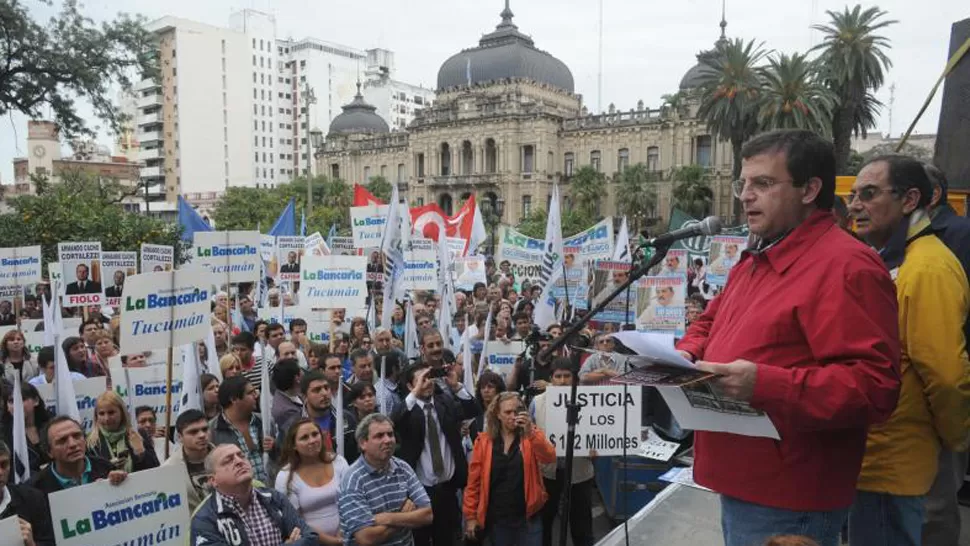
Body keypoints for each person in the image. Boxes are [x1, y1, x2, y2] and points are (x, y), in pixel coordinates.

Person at [677, 130, 901, 546]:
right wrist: (682, 356)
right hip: (743, 479)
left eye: (763, 184)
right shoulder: (758, 256)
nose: (746, 195)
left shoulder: (847, 267)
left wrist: (763, 384)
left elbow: (875, 387)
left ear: (810, 189)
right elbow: (710, 320)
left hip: (790, 497)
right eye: (743, 183)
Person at [846, 155, 970, 545]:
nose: (854, 206)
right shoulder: (894, 259)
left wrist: (955, 440)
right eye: (853, 195)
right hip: (879, 458)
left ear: (910, 198)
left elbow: (946, 375)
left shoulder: (928, 269)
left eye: (869, 194)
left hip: (900, 465)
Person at [922, 162, 970, 545]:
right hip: (912, 394)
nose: (857, 205)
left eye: (871, 193)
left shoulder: (957, 239)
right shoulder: (898, 243)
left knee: (935, 505)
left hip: (944, 388)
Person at [395, 363, 480, 546]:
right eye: (421, 380)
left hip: (448, 489)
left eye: (429, 378)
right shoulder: (407, 410)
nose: (427, 383)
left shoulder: (444, 403)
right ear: (410, 386)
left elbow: (473, 410)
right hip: (420, 493)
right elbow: (396, 422)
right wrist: (415, 393)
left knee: (447, 539)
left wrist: (456, 386)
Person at [463, 391, 556, 545]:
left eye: (517, 411)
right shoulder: (484, 442)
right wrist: (471, 517)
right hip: (498, 520)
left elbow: (549, 457)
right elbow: (474, 483)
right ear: (497, 415)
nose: (513, 416)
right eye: (507, 412)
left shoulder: (530, 436)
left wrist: (530, 432)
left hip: (528, 518)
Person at [190, 443, 318, 545]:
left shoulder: (274, 498)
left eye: (241, 455)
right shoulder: (205, 519)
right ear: (213, 480)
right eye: (228, 460)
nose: (239, 461)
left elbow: (311, 538)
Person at [337, 413, 433, 546]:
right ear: (363, 443)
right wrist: (404, 515)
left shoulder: (402, 467)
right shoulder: (352, 480)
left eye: (390, 434)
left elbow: (427, 515)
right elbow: (366, 539)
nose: (388, 440)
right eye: (379, 436)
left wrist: (388, 518)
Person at [531, 360, 595, 546]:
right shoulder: (537, 402)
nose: (562, 380)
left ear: (574, 379)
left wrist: (597, 448)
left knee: (581, 524)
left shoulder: (591, 400)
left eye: (567, 376)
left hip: (580, 471)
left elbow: (601, 433)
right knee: (545, 522)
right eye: (558, 376)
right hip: (548, 473)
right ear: (551, 379)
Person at [275, 419, 349, 546]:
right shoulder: (285, 477)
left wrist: (343, 534)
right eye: (304, 438)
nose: (312, 440)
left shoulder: (339, 462)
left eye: (315, 434)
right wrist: (332, 542)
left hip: (348, 534)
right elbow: (295, 521)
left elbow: (350, 500)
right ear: (294, 445)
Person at [30, 416, 127, 494]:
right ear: (49, 452)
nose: (73, 444)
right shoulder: (35, 489)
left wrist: (122, 486)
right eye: (62, 440)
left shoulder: (106, 468)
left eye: (77, 436)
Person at [209, 376, 275, 483]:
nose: (256, 396)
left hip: (269, 491)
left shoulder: (265, 421)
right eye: (250, 393)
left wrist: (275, 447)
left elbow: (282, 458)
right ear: (234, 399)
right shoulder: (212, 430)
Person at [87, 391, 159, 473]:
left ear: (122, 412)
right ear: (96, 416)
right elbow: (89, 476)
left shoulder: (138, 434)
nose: (106, 418)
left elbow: (155, 470)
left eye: (111, 412)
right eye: (101, 414)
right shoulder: (91, 442)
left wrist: (141, 452)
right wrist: (109, 466)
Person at [0, 440, 55, 546]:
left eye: (4, 464)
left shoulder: (32, 498)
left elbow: (51, 542)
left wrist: (32, 544)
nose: (0, 472)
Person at [162, 409, 215, 511]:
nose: (202, 435)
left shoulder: (228, 456)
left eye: (205, 429)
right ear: (180, 437)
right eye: (193, 432)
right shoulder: (168, 469)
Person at [2, 382, 51, 475]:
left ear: (36, 401)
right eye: (11, 401)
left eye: (22, 399)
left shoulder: (51, 424)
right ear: (7, 407)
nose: (16, 405)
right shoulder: (4, 434)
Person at [343, 382, 377, 463]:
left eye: (370, 395)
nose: (368, 399)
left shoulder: (382, 418)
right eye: (362, 397)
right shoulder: (349, 425)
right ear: (354, 402)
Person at [271, 358, 304, 439]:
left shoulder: (294, 393)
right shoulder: (286, 411)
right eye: (301, 370)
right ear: (297, 378)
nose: (303, 372)